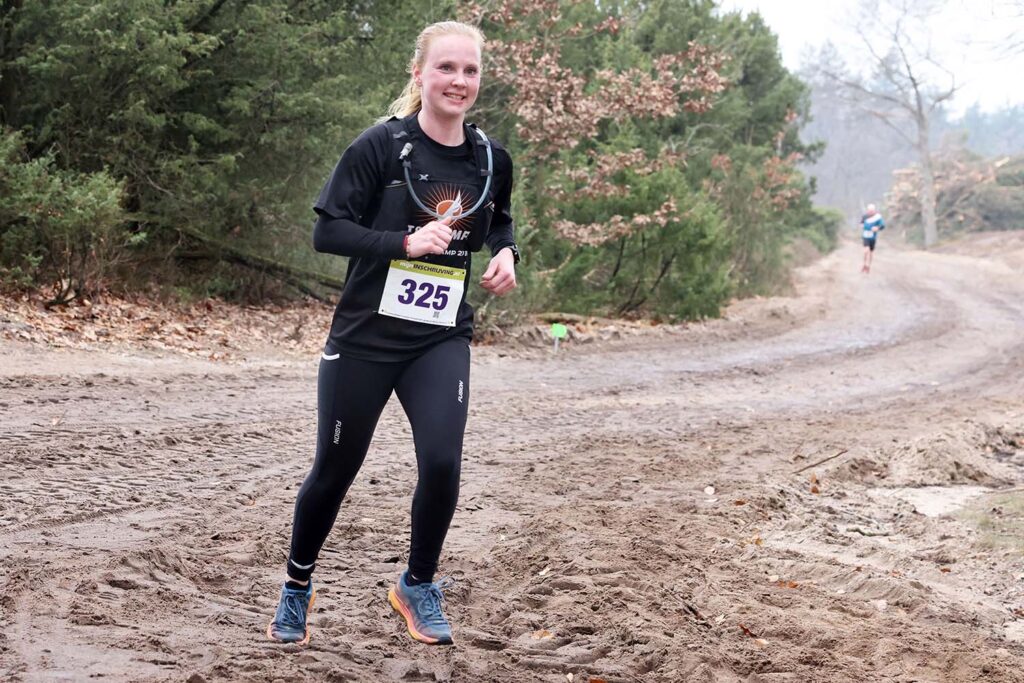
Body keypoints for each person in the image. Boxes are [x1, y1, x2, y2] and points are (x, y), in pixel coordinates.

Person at [266, 20, 518, 647]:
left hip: (438, 337)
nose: (459, 81)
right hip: (366, 337)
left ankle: (417, 582)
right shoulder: (379, 148)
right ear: (419, 75)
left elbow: (500, 220)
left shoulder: (491, 159)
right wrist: (402, 242)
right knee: (336, 467)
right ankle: (297, 585)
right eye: (446, 69)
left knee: (441, 461)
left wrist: (506, 251)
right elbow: (327, 232)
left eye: (470, 71)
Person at [860, 203, 885, 273]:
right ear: (867, 210)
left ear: (874, 211)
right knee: (866, 251)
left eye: (872, 211)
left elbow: (882, 225)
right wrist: (864, 227)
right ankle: (864, 264)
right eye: (869, 211)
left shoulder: (878, 217)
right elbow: (861, 224)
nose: (870, 212)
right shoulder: (864, 216)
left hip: (873, 237)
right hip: (865, 236)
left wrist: (877, 228)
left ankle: (868, 266)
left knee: (871, 253)